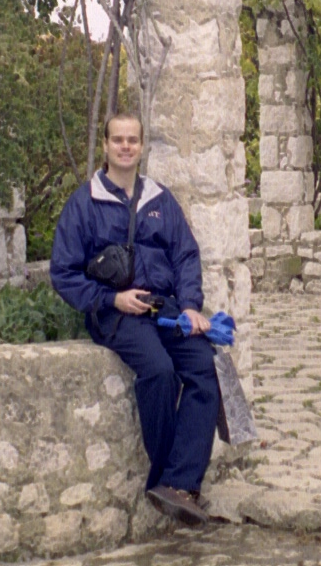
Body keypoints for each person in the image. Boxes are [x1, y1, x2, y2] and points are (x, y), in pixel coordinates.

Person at [50, 111, 218, 526]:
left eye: (132, 140)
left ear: (141, 147)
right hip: (115, 313)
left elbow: (185, 255)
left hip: (163, 308)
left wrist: (191, 306)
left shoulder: (159, 199)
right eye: (118, 140)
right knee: (159, 371)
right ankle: (167, 478)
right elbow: (63, 273)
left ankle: (180, 483)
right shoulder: (84, 203)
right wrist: (112, 299)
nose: (125, 146)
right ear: (106, 146)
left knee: (203, 365)